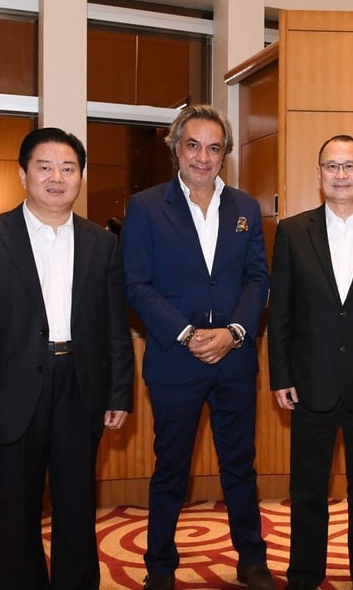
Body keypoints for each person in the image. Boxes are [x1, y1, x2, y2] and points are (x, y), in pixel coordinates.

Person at [0, 127, 134, 589]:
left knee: (76, 506)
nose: (57, 177)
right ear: (23, 173)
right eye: (44, 167)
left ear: (80, 177)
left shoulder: (102, 243)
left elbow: (114, 326)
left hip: (79, 387)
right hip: (11, 389)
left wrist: (120, 393)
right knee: (17, 510)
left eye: (68, 168)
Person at [121, 105, 273, 590]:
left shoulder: (246, 209)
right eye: (193, 145)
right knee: (171, 469)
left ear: (224, 153)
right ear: (175, 148)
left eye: (213, 148)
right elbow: (136, 285)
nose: (203, 157)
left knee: (240, 467)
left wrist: (234, 333)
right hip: (174, 359)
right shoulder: (145, 207)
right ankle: (159, 568)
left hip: (234, 359)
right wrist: (187, 334)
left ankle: (252, 560)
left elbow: (257, 279)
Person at [268, 134, 353, 590]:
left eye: (350, 166)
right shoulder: (291, 231)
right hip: (311, 383)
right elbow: (282, 311)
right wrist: (281, 375)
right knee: (308, 490)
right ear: (320, 174)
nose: (341, 175)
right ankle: (304, 574)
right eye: (332, 166)